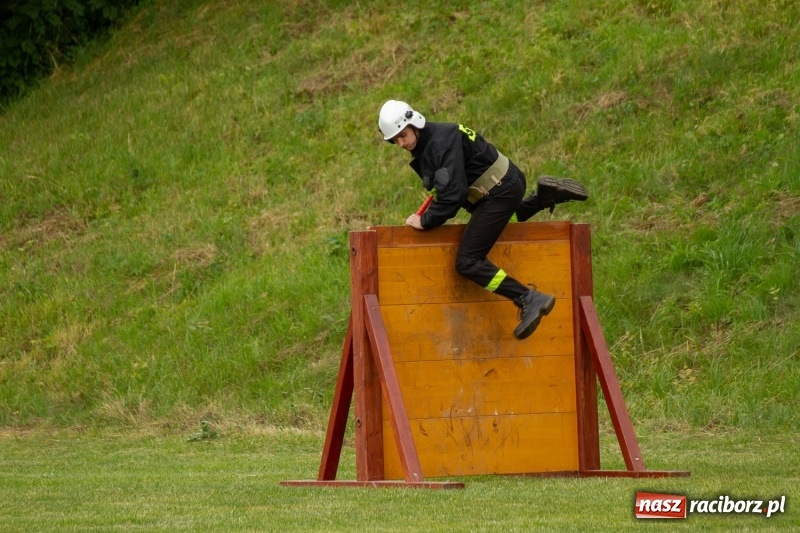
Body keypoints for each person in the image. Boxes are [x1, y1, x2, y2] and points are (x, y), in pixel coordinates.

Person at [378, 100, 588, 340]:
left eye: (402, 135)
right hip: (502, 185)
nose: (401, 143)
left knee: (468, 261)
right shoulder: (434, 139)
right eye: (395, 140)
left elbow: (453, 196)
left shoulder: (440, 143)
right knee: (501, 221)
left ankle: (527, 298)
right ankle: (542, 198)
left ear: (414, 122)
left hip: (499, 191)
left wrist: (425, 221)